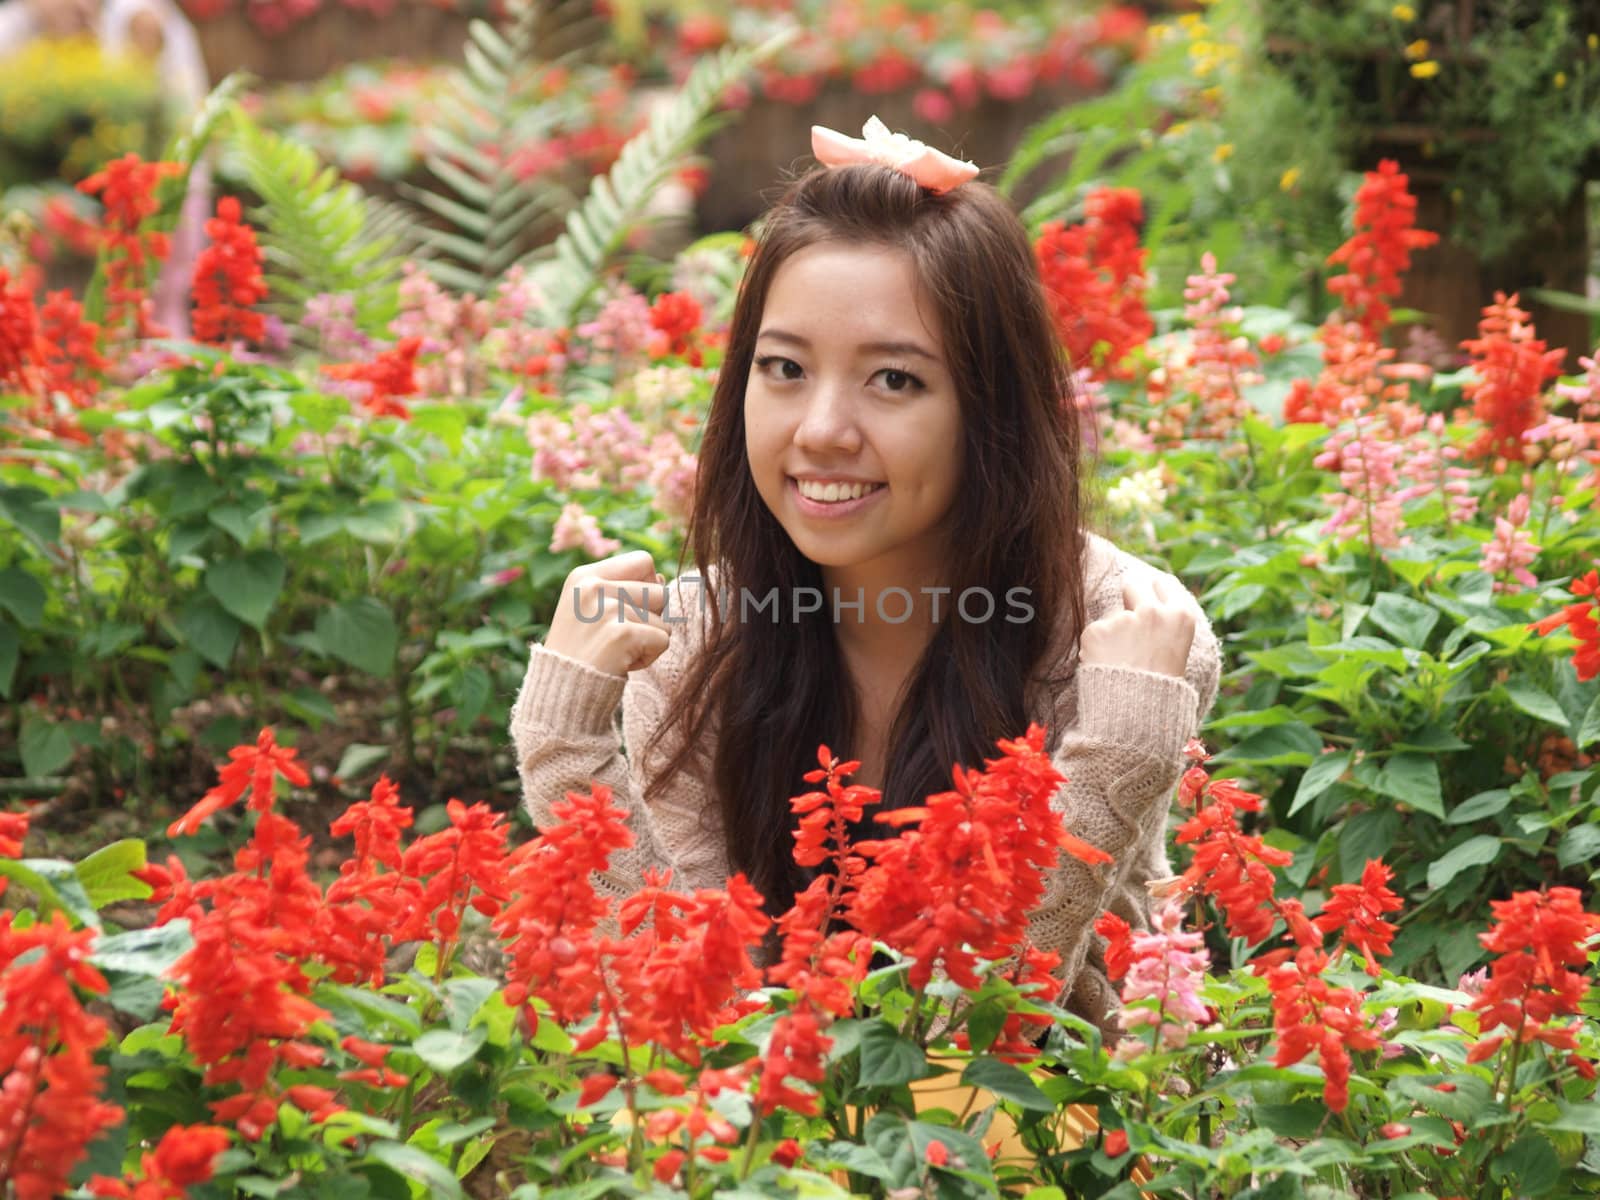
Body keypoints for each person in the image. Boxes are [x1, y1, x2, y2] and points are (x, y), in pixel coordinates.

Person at [510, 116, 1222, 1041]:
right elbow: (692, 1023)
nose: (820, 431)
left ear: (992, 411)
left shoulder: (1121, 644)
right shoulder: (693, 644)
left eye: (893, 381)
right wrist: (564, 747)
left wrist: (1120, 754)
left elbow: (993, 1036)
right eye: (785, 369)